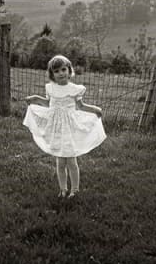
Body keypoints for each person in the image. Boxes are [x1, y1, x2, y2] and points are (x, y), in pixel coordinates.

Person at [23, 55, 106, 199]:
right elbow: (48, 103)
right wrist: (35, 99)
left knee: (71, 161)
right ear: (52, 74)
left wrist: (95, 110)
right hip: (56, 129)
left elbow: (81, 106)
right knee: (60, 162)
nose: (61, 73)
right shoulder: (50, 88)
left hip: (69, 128)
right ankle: (63, 189)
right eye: (56, 71)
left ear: (69, 70)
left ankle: (75, 189)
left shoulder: (75, 89)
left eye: (63, 69)